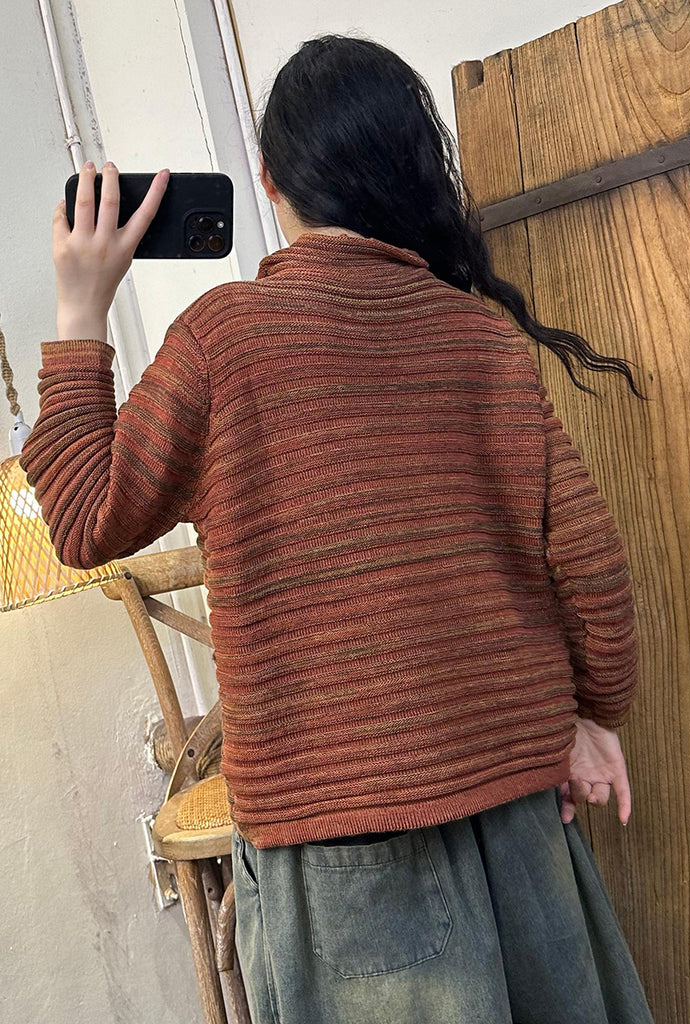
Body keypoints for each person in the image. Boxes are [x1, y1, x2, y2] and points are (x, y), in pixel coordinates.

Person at [19, 30, 656, 1024]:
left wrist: (81, 308)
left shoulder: (225, 342)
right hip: (519, 820)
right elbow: (592, 566)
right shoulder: (482, 341)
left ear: (270, 178)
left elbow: (82, 516)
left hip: (338, 859)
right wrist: (594, 714)